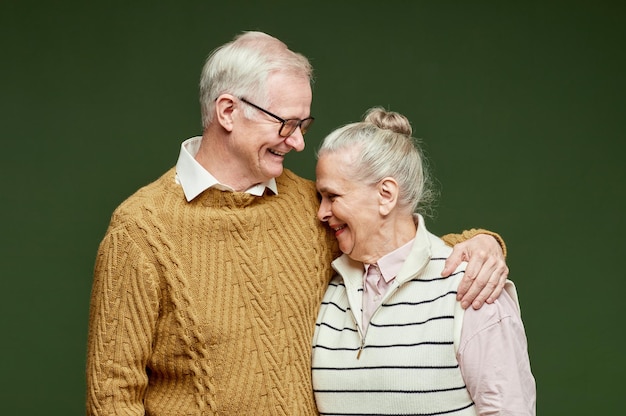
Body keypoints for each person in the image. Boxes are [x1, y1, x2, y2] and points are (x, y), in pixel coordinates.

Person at [86, 31, 510, 415]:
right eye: (286, 123)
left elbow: (393, 242)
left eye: (303, 125)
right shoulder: (140, 231)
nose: (298, 141)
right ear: (228, 111)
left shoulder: (310, 205)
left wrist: (480, 243)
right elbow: (112, 396)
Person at [311, 107, 536, 415]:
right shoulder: (326, 289)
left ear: (386, 194)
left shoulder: (472, 288)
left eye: (332, 196)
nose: (320, 212)